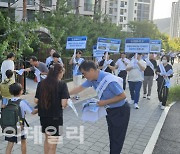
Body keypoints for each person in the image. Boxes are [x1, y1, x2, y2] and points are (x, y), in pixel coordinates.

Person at [69, 60, 130, 154]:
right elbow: (80, 88)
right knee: (113, 136)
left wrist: (105, 102)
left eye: (84, 74)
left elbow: (122, 96)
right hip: (109, 110)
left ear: (91, 70)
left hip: (120, 111)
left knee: (117, 137)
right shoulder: (92, 80)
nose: (83, 76)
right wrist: (63, 94)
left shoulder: (109, 80)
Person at [34, 63, 69, 154]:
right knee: (53, 144)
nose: (63, 75)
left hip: (44, 116)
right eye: (63, 72)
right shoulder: (62, 84)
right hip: (56, 116)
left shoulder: (41, 83)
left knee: (47, 139)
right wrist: (67, 103)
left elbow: (36, 100)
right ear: (60, 72)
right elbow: (63, 104)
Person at [4, 83, 37, 154]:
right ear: (20, 91)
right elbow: (33, 112)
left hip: (10, 125)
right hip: (20, 126)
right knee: (23, 141)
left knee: (10, 143)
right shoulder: (22, 102)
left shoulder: (8, 101)